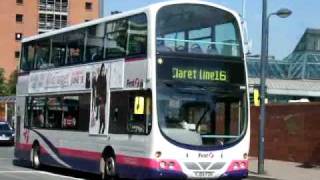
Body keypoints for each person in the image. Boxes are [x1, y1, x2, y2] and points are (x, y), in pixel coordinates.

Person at [97, 64, 107, 134]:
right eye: (102, 70)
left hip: (103, 98)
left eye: (104, 70)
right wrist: (99, 96)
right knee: (101, 114)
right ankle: (101, 128)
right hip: (100, 98)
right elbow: (98, 88)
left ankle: (102, 128)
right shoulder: (99, 78)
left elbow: (105, 88)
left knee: (102, 114)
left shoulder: (104, 77)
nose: (103, 71)